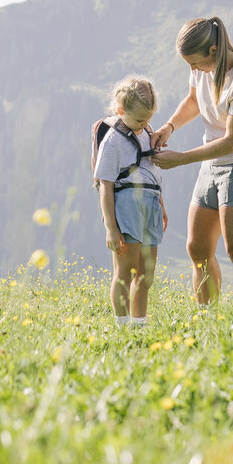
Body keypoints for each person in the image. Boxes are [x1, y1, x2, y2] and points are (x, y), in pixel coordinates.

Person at [148, 16, 233, 306]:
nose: (193, 69)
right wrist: (169, 127)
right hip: (211, 162)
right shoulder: (204, 69)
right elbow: (193, 100)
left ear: (213, 51)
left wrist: (180, 159)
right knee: (197, 248)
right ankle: (207, 317)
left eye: (194, 63)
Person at [92, 76, 163, 326]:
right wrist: (111, 228)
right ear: (121, 111)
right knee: (126, 271)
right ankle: (122, 326)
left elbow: (151, 171)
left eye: (149, 119)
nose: (145, 124)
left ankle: (139, 324)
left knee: (146, 274)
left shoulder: (147, 132)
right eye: (140, 120)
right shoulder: (113, 141)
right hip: (127, 205)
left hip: (151, 203)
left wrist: (161, 204)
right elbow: (105, 184)